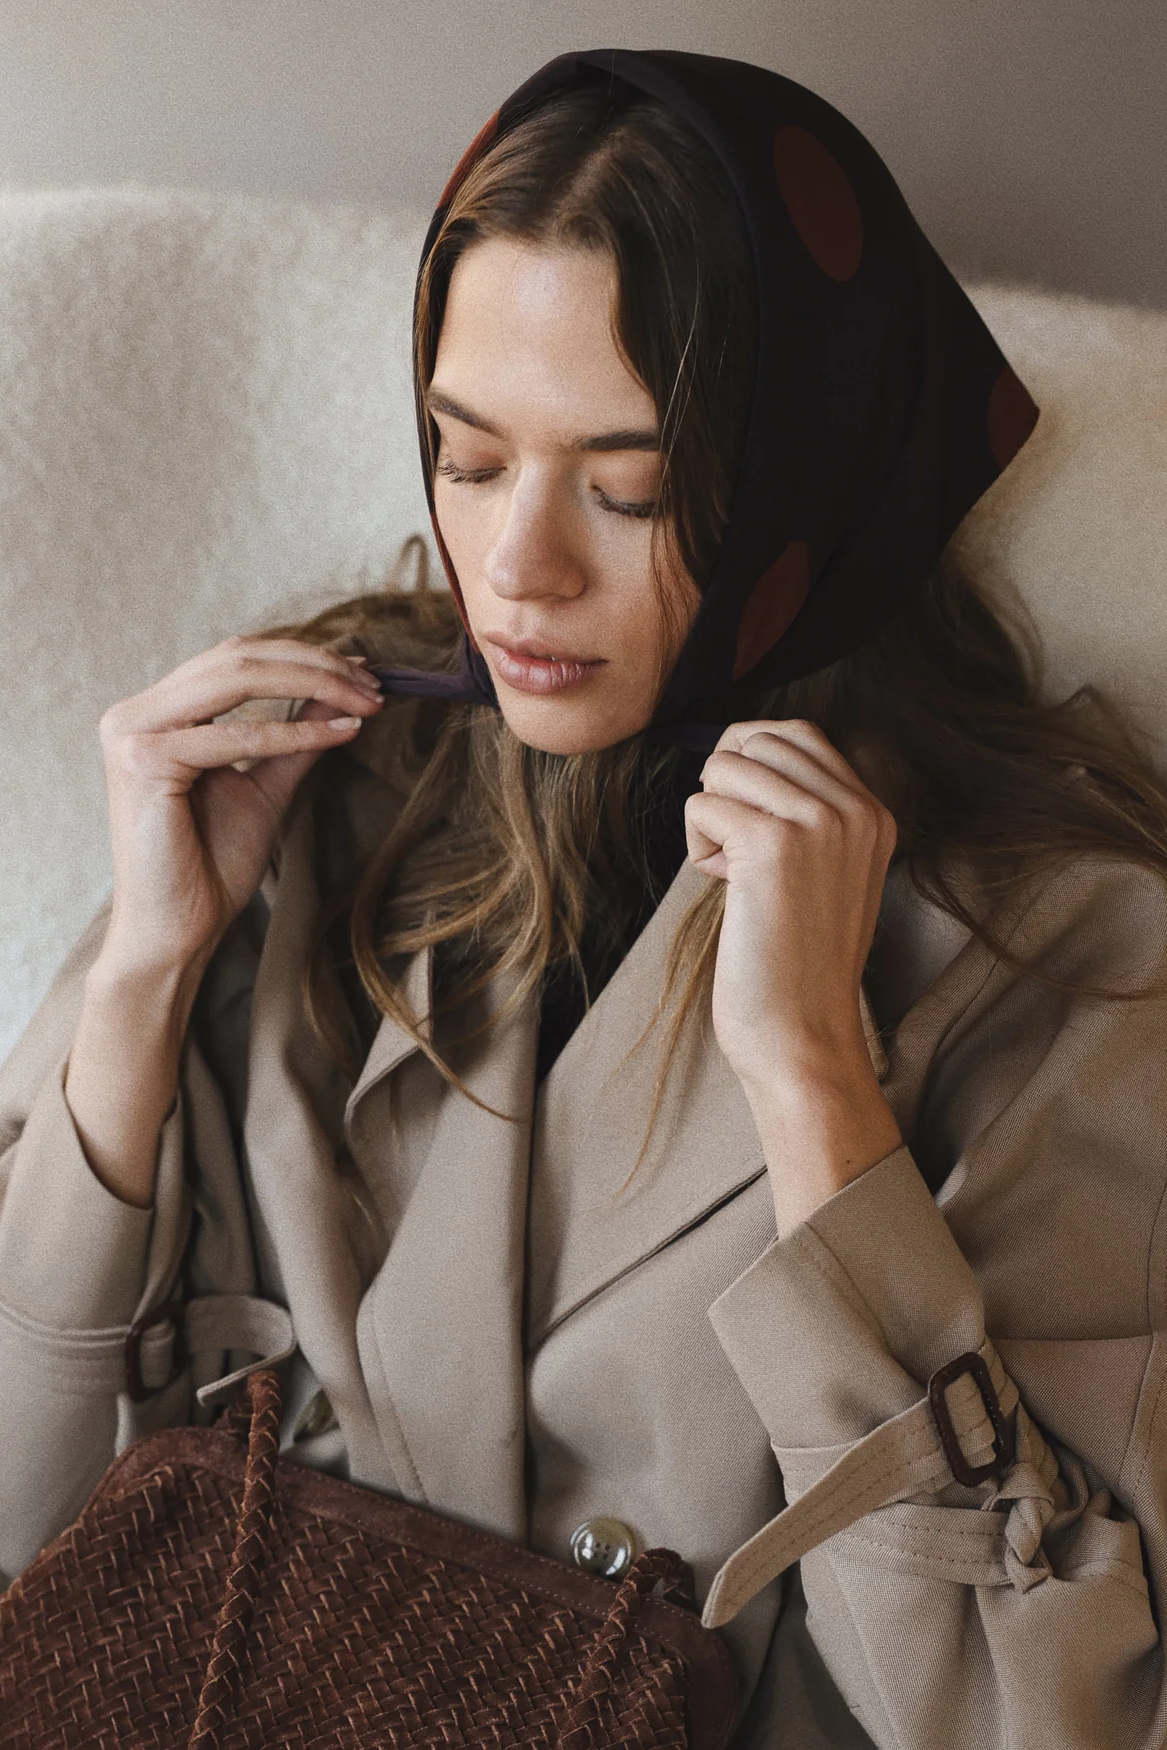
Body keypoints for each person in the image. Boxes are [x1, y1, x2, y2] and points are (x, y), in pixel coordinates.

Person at [2, 45, 1167, 1749]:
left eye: (629, 487)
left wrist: (815, 1093)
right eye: (468, 460)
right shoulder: (292, 794)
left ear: (811, 476)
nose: (516, 571)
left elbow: (1041, 1720)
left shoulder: (1065, 950)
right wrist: (141, 980)